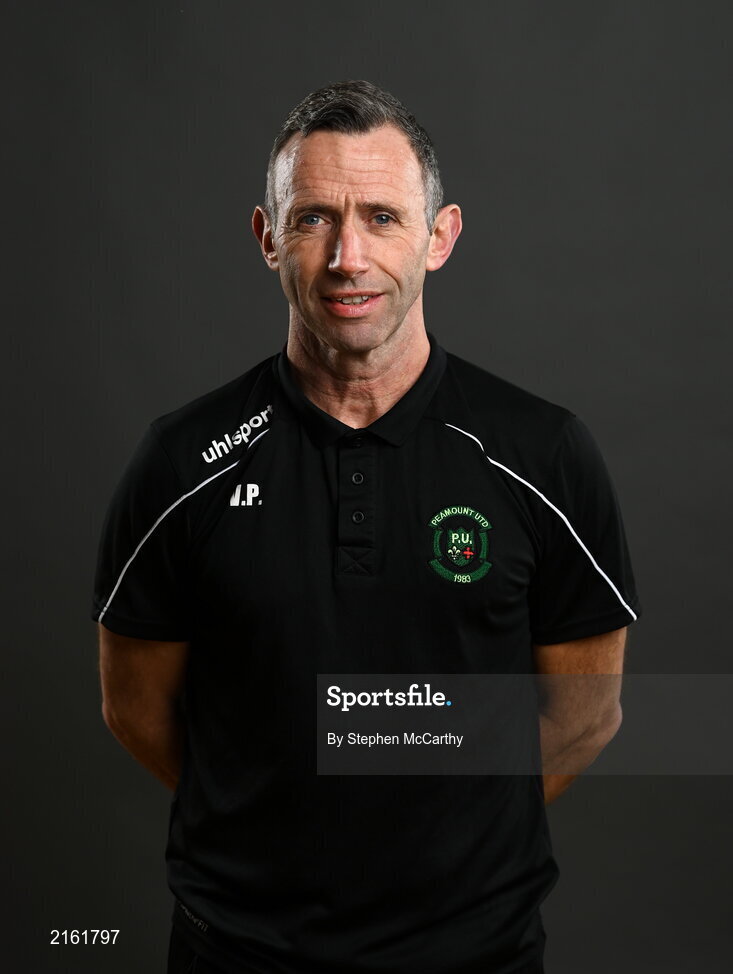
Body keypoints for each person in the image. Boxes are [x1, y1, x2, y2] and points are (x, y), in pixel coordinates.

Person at [93, 80, 641, 974]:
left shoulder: (542, 453)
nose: (348, 255)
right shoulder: (180, 462)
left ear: (440, 236)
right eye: (313, 219)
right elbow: (135, 709)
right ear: (268, 239)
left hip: (477, 954)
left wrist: (453, 825)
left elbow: (584, 716)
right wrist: (270, 814)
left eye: (382, 216)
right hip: (238, 952)